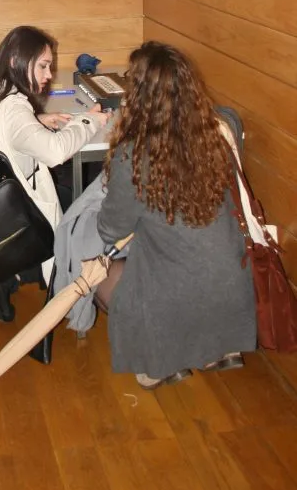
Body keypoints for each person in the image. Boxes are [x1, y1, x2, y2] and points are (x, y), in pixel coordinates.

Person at [95, 41, 256, 390]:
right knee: (194, 263)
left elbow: (111, 230)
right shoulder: (225, 126)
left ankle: (159, 364)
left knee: (102, 275)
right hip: (234, 286)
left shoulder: (132, 156)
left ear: (137, 95)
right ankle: (218, 350)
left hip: (175, 299)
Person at [0, 25, 109, 321]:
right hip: (5, 221)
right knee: (74, 209)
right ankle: (5, 280)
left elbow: (5, 132)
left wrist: (37, 120)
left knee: (63, 195)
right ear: (15, 62)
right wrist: (89, 121)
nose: (49, 75)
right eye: (43, 66)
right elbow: (55, 152)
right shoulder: (13, 108)